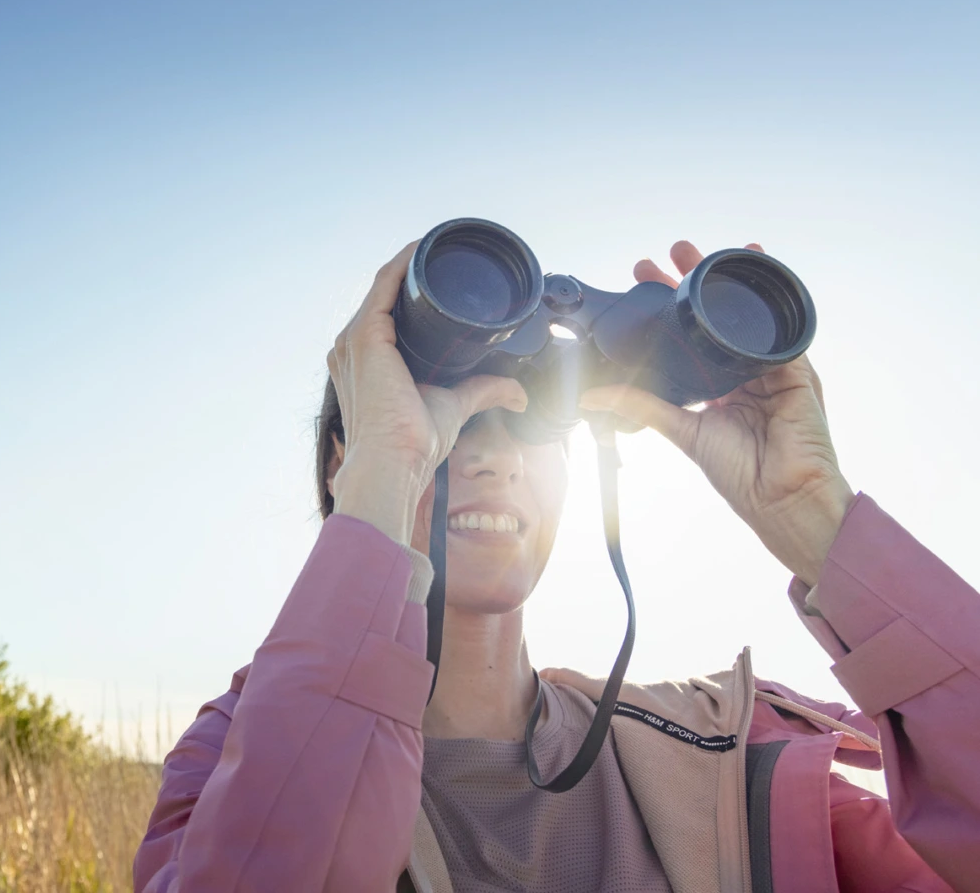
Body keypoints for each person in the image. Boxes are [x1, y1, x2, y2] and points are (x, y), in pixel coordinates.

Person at [133, 237, 978, 893]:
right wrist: (384, 478)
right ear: (344, 464)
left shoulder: (724, 750)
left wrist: (813, 517)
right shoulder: (234, 755)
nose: (494, 463)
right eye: (452, 423)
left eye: (533, 427)